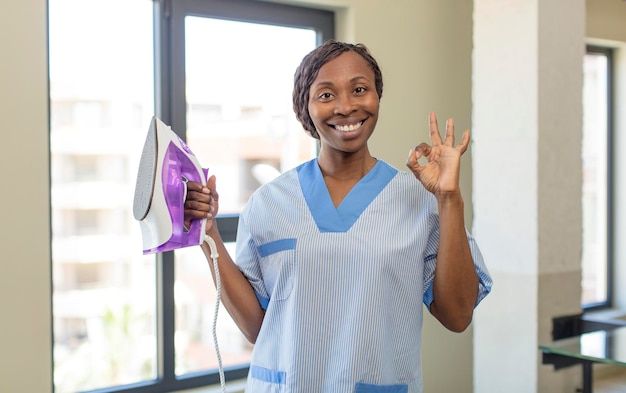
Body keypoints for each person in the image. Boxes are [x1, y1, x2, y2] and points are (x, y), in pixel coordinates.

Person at [183, 40, 492, 393]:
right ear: (306, 108)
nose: (346, 107)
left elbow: (457, 316)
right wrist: (207, 235)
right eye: (326, 95)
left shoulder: (419, 200)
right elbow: (257, 328)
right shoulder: (268, 202)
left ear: (377, 97)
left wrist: (450, 199)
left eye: (359, 90)